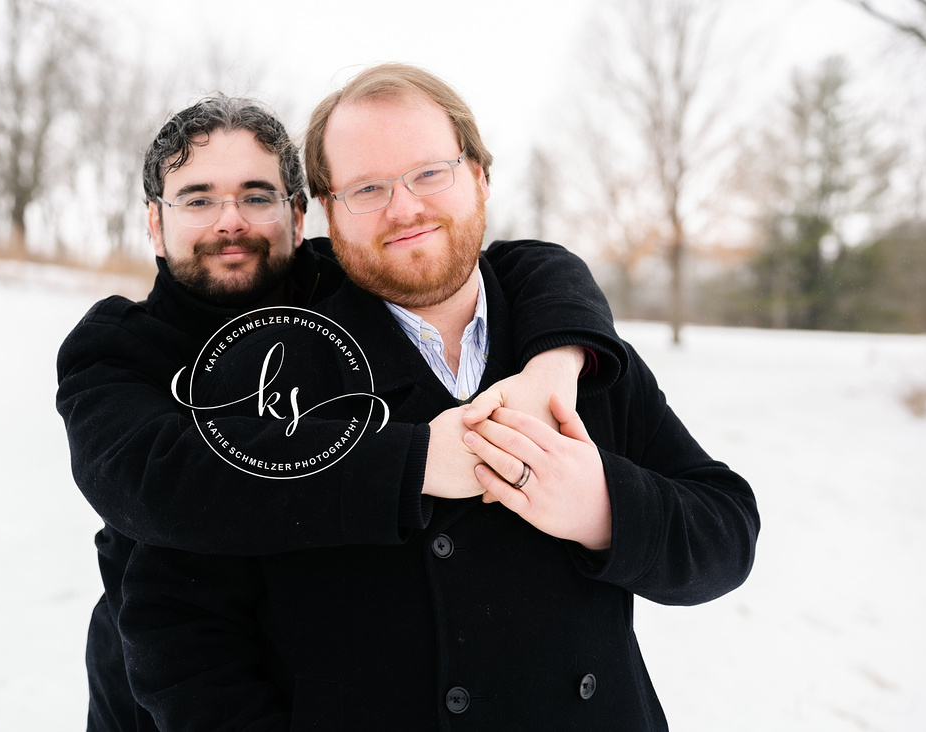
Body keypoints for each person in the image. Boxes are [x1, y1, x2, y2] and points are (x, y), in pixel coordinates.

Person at [118, 64, 760, 730]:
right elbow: (177, 625)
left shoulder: (573, 353)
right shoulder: (268, 369)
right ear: (329, 212)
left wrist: (602, 506)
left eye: (431, 172)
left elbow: (727, 533)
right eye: (368, 187)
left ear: (479, 176)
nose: (405, 208)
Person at [56, 93, 627, 730]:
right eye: (196, 200)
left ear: (301, 219)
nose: (230, 221)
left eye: (257, 196)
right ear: (155, 225)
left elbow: (517, 265)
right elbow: (158, 480)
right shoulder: (117, 349)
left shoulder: (344, 294)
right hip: (164, 696)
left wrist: (559, 360)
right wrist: (413, 465)